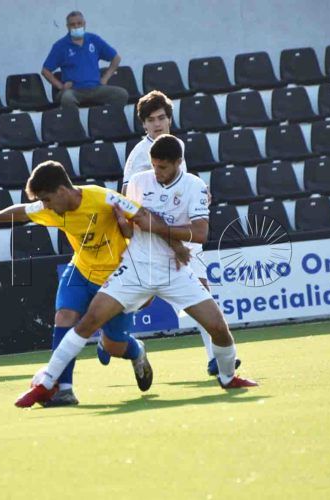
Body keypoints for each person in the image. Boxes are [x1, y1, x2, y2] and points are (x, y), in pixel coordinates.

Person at [16, 135, 257, 408]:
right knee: (88, 321)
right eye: (153, 165)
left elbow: (200, 234)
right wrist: (127, 225)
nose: (156, 172)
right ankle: (46, 384)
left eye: (162, 167)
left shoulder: (195, 186)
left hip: (174, 270)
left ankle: (228, 377)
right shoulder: (139, 182)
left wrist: (171, 240)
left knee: (218, 327)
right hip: (134, 268)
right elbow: (133, 223)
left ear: (179, 163)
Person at [0, 161, 161, 406]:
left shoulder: (103, 198)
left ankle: (137, 351)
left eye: (47, 200)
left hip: (116, 278)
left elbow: (143, 216)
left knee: (114, 346)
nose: (44, 206)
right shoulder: (52, 208)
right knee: (64, 316)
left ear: (62, 191)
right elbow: (23, 211)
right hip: (80, 271)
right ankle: (65, 390)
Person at [119, 90, 241, 377]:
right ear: (143, 124)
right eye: (151, 120)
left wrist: (199, 194)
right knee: (142, 299)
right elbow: (126, 197)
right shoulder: (139, 155)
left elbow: (178, 183)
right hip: (156, 237)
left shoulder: (175, 146)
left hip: (181, 231)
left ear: (170, 119)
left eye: (161, 118)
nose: (157, 124)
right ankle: (116, 337)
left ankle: (214, 357)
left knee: (202, 292)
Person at [41, 11, 128, 109]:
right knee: (67, 98)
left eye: (79, 23)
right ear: (67, 27)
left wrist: (105, 78)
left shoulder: (94, 40)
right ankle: (74, 119)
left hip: (96, 88)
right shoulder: (60, 46)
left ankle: (108, 118)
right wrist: (60, 86)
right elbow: (45, 71)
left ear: (84, 24)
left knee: (121, 94)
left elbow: (116, 58)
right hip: (74, 90)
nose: (76, 26)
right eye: (72, 24)